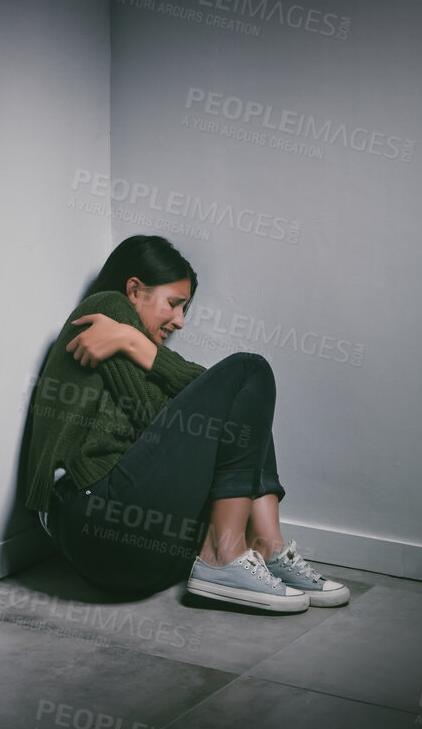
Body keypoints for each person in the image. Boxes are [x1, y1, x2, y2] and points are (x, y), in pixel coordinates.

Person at [22, 235, 348, 612]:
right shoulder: (106, 309)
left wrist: (133, 342)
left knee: (243, 407)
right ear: (134, 290)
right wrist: (131, 338)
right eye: (174, 304)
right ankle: (226, 554)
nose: (179, 321)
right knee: (249, 371)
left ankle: (266, 549)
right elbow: (152, 417)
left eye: (185, 309)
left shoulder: (125, 337)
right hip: (94, 520)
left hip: (134, 556)